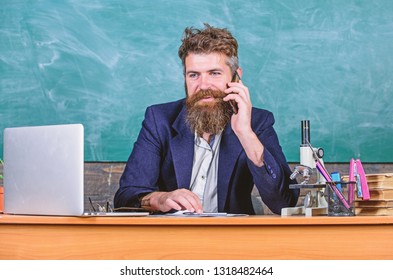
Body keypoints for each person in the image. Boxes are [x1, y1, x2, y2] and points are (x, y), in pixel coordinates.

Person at [114, 23, 299, 215]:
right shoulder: (159, 119)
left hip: (230, 238)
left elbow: (284, 203)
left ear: (236, 78)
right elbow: (125, 197)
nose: (203, 85)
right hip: (171, 237)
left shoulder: (258, 122)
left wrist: (245, 133)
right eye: (194, 75)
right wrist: (161, 198)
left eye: (214, 73)